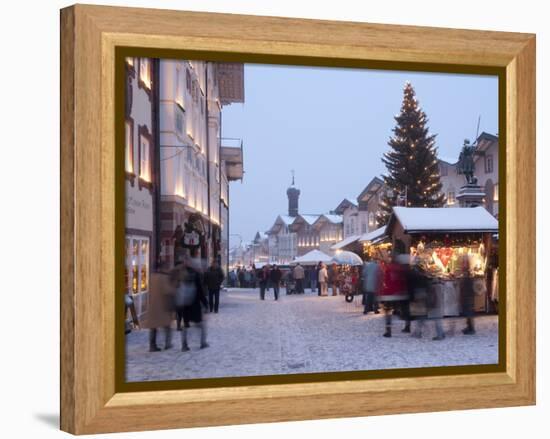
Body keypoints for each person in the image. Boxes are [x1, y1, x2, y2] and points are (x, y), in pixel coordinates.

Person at [172, 258, 209, 351]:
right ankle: (203, 343)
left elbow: (175, 287)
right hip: (194, 304)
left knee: (185, 325)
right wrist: (205, 303)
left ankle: (184, 345)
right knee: (200, 325)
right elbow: (200, 291)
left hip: (184, 304)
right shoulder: (195, 275)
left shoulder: (180, 274)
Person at [377, 253, 409, 337]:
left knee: (388, 312)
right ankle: (407, 326)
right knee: (404, 310)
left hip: (390, 293)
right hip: (401, 293)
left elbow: (386, 280)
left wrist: (382, 292)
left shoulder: (388, 268)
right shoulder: (402, 268)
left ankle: (388, 330)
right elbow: (404, 281)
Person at [144, 263, 174, 351]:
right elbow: (168, 290)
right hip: (162, 306)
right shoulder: (164, 278)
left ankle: (152, 345)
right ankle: (168, 344)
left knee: (153, 327)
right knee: (167, 326)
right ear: (163, 268)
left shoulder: (152, 277)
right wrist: (175, 289)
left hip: (153, 305)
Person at [460, 254, 476, 335]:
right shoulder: (466, 273)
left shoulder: (467, 274)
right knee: (467, 312)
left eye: (464, 263)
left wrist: (464, 294)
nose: (462, 264)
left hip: (468, 296)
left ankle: (471, 329)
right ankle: (469, 327)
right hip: (467, 296)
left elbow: (467, 285)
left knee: (469, 312)